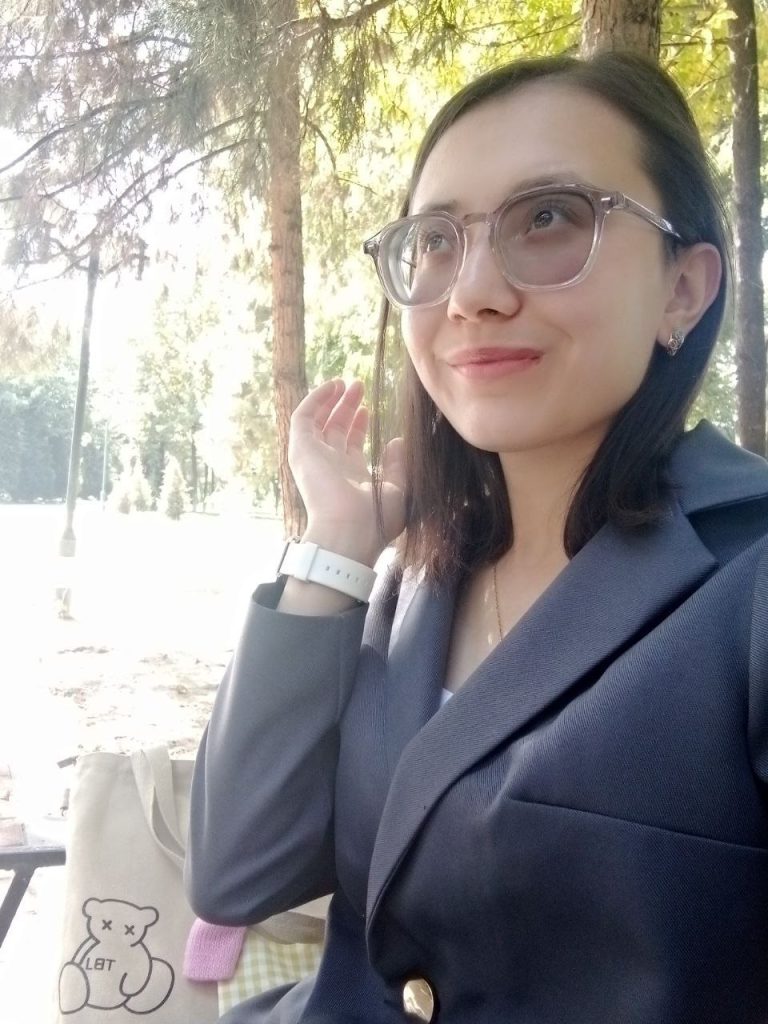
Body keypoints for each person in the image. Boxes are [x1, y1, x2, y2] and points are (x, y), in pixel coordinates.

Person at [186, 50, 768, 1024]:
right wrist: (334, 545)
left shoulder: (745, 582)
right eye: (437, 240)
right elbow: (239, 869)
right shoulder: (413, 580)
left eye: (549, 219)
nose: (473, 292)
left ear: (684, 289)